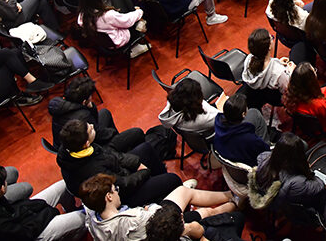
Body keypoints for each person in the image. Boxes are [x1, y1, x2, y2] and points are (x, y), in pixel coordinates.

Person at [56, 119, 184, 206]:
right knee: (173, 179)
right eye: (90, 129)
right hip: (120, 196)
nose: (92, 126)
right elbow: (123, 185)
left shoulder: (73, 149)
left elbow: (111, 155)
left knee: (145, 149)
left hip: (118, 172)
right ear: (86, 143)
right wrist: (144, 172)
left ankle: (158, 185)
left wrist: (136, 163)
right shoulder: (92, 170)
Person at [79, 172, 234, 241]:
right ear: (109, 197)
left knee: (197, 208)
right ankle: (232, 197)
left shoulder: (92, 218)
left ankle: (231, 200)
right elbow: (158, 218)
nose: (118, 192)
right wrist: (150, 208)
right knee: (194, 202)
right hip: (161, 226)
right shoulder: (134, 220)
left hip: (148, 225)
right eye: (115, 190)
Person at [0, 163, 86, 241]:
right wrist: (48, 212)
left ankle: (68, 212)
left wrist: (38, 208)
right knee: (83, 217)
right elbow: (25, 234)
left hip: (20, 221)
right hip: (27, 235)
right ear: (2, 189)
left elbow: (13, 210)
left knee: (63, 185)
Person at [48, 76, 144, 153]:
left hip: (66, 145)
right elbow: (98, 135)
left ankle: (120, 147)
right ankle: (124, 152)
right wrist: (111, 132)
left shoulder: (60, 104)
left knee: (104, 113)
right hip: (88, 148)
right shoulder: (83, 115)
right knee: (136, 132)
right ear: (84, 101)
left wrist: (89, 107)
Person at [212, 93, 274, 166]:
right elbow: (264, 150)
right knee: (254, 112)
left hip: (228, 157)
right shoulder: (250, 139)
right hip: (249, 163)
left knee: (253, 113)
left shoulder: (218, 124)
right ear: (243, 114)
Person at [285, 62, 326, 129]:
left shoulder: (289, 95)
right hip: (323, 127)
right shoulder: (319, 105)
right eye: (314, 71)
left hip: (305, 123)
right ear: (311, 82)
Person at [242, 27, 294, 95]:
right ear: (269, 46)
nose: (273, 39)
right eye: (271, 38)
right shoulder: (279, 73)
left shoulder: (248, 60)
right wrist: (291, 72)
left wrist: (277, 61)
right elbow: (289, 91)